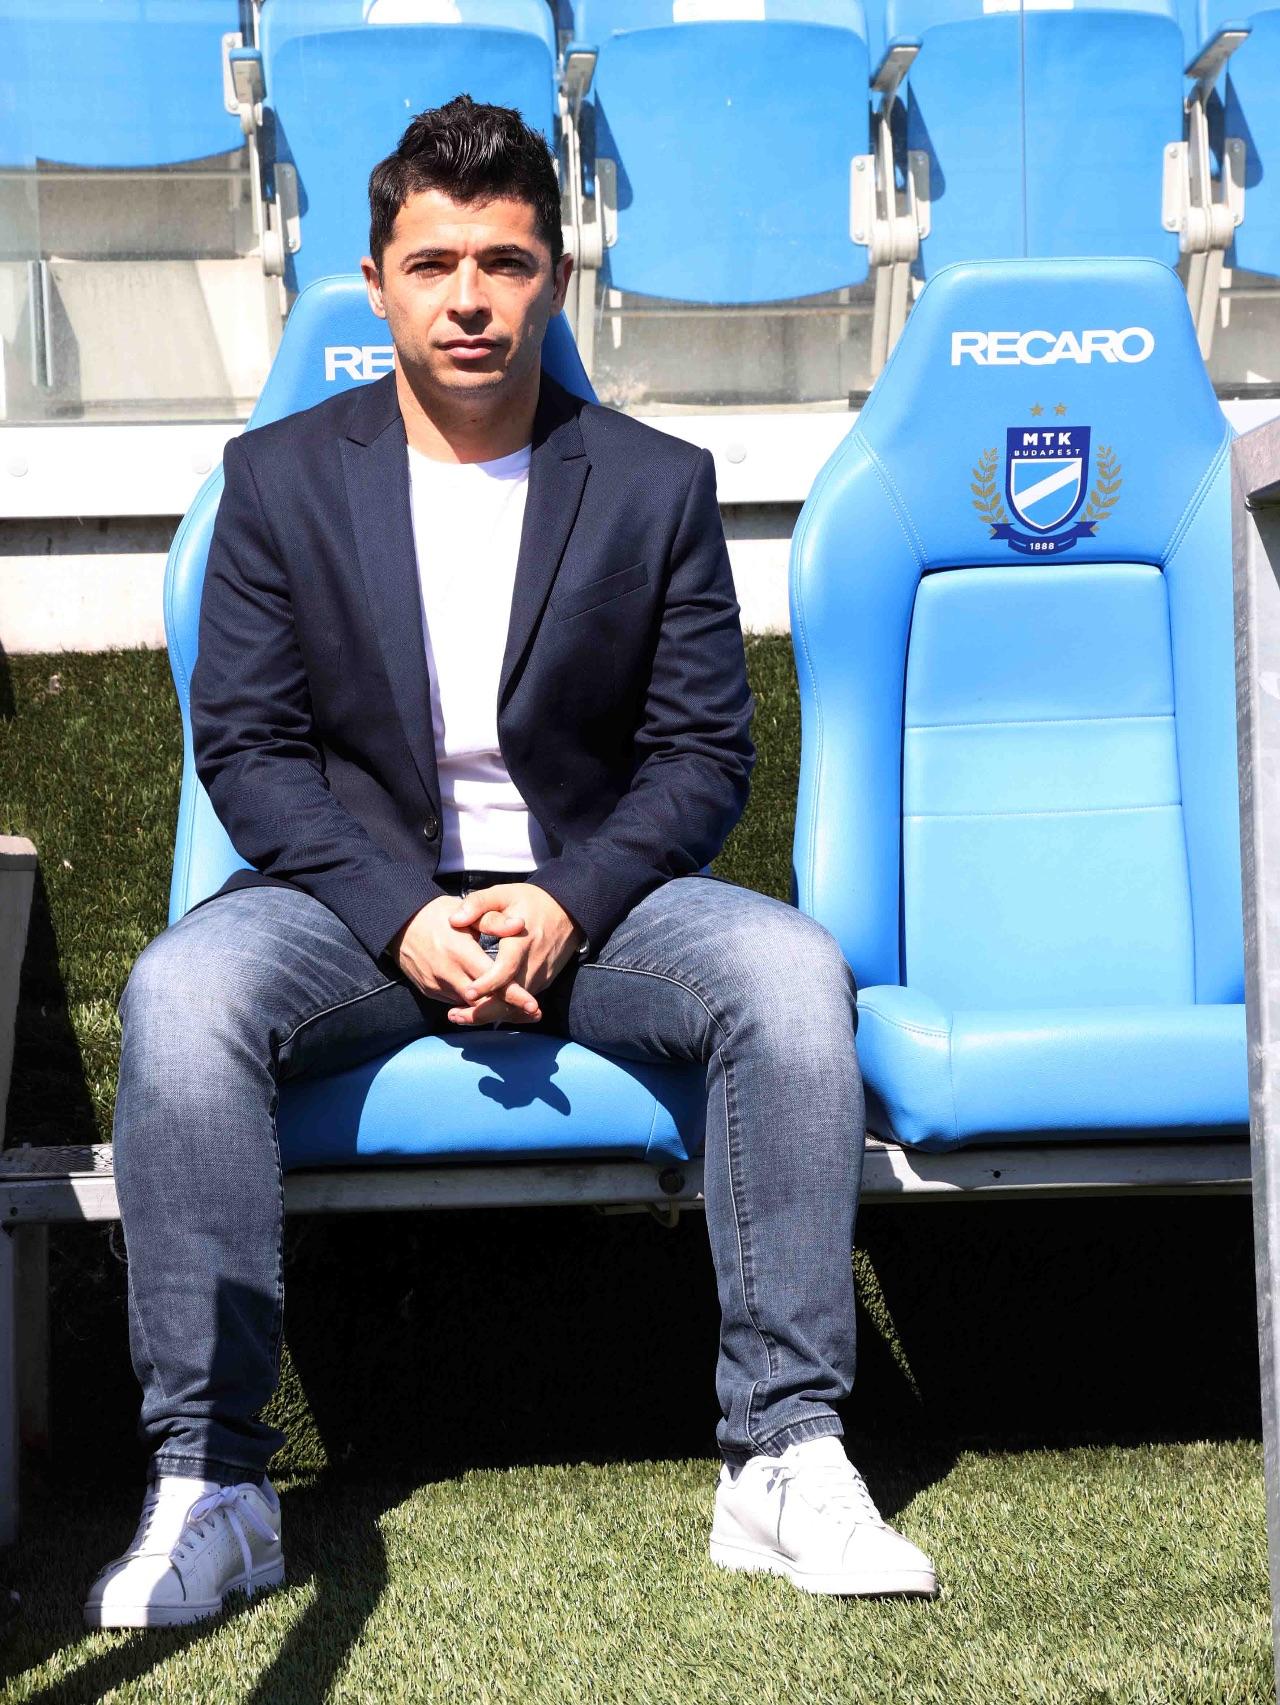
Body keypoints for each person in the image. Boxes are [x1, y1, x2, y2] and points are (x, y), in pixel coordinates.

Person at [85, 97, 936, 1627]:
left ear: (555, 277)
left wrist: (564, 902)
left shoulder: (654, 483)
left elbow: (702, 757)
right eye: (433, 265)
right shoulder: (275, 481)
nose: (468, 298)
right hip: (346, 905)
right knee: (181, 994)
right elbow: (254, 755)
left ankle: (783, 1450)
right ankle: (215, 1480)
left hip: (594, 900)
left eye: (504, 263)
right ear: (375, 282)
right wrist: (401, 917)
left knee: (789, 974)